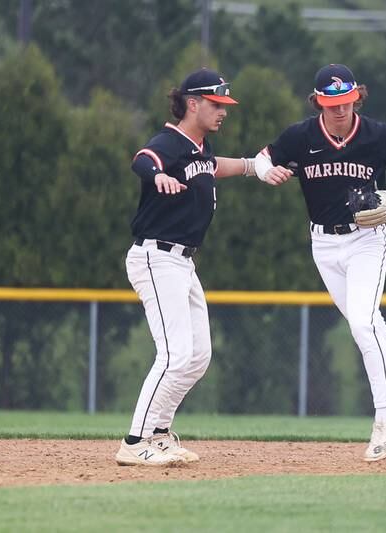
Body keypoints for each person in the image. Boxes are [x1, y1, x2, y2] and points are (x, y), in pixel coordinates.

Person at [254, 64, 386, 462]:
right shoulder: (300, 136)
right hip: (323, 244)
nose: (340, 110)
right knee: (370, 327)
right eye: (332, 103)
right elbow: (263, 158)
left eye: (346, 102)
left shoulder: (376, 135)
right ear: (318, 102)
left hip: (366, 240)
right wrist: (267, 172)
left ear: (357, 98)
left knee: (363, 324)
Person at [115, 68, 256, 466]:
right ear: (192, 104)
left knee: (198, 356)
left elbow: (215, 167)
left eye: (225, 105)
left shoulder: (199, 149)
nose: (223, 112)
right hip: (156, 257)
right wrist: (158, 175)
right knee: (175, 354)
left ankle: (159, 434)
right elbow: (143, 159)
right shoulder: (170, 142)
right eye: (216, 104)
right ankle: (133, 441)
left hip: (182, 263)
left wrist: (252, 166)